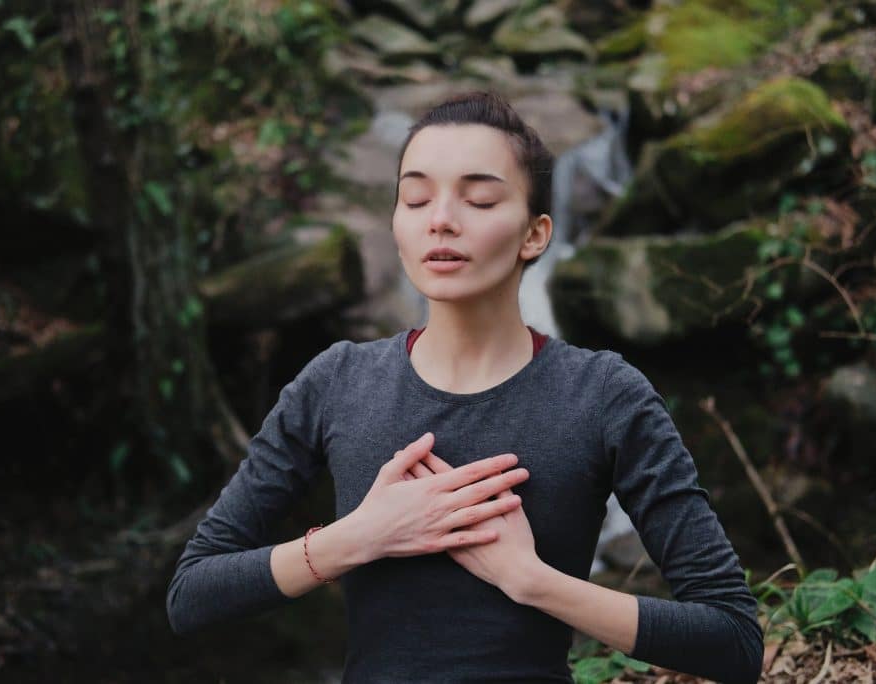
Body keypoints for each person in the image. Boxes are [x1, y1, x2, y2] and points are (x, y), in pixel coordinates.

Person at [166, 91, 764, 684]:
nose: (441, 218)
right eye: (416, 197)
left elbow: (733, 641)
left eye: (478, 199)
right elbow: (192, 594)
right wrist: (358, 538)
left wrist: (531, 581)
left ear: (535, 235)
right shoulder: (337, 381)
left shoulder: (605, 395)